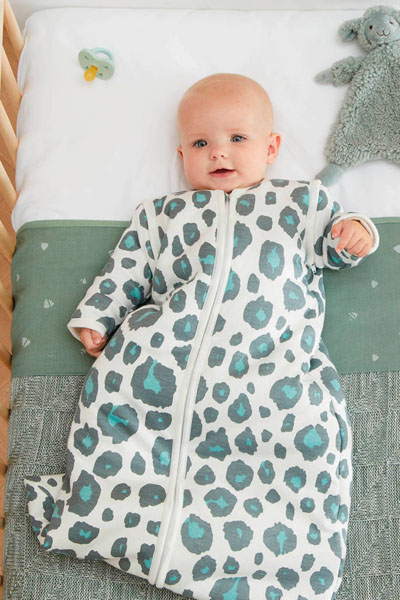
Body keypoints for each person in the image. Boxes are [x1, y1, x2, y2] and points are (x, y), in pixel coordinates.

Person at [25, 73, 379, 600]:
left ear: (271, 148)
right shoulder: (161, 215)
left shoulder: (301, 204)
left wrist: (356, 233)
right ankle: (115, 520)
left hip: (271, 370)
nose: (218, 152)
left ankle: (283, 568)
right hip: (163, 360)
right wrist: (98, 316)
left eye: (236, 138)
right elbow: (127, 270)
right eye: (199, 143)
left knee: (306, 441)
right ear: (181, 154)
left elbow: (335, 245)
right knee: (121, 422)